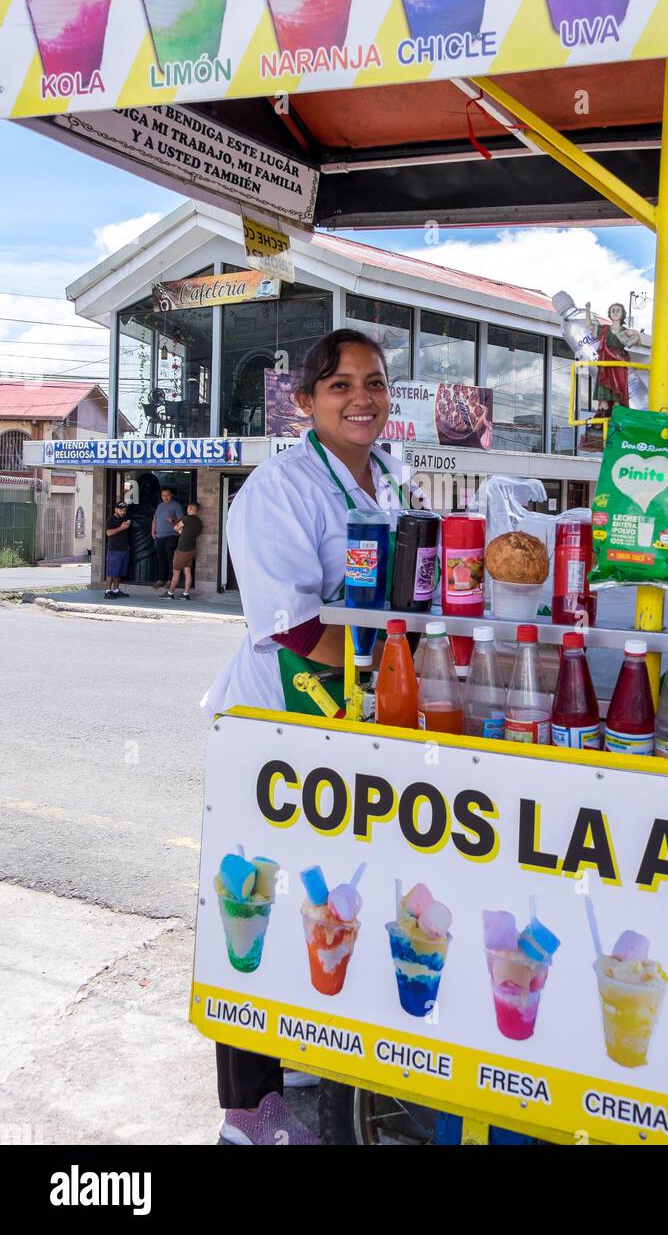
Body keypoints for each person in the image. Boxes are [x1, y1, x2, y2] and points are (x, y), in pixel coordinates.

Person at [204, 328, 399, 1145]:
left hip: (344, 718)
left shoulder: (390, 474)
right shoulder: (277, 489)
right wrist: (397, 654)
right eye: (340, 384)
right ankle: (250, 1110)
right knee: (250, 898)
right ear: (307, 401)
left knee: (326, 893)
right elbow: (294, 626)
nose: (361, 398)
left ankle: (308, 1044)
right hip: (274, 721)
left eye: (374, 382)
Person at [165, 502, 203, 601]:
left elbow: (176, 527)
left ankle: (170, 593)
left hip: (182, 549)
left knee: (176, 571)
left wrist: (176, 526)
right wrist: (180, 530)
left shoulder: (187, 518)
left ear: (190, 508)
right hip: (192, 549)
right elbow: (187, 533)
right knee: (187, 571)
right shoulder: (199, 522)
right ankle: (186, 594)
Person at [151, 486, 184, 589]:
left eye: (167, 495)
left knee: (171, 559)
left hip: (171, 536)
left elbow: (182, 521)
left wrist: (173, 520)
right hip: (159, 537)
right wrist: (152, 532)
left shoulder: (176, 506)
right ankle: (161, 579)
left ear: (171, 495)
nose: (165, 497)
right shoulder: (160, 505)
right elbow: (155, 519)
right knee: (160, 559)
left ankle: (170, 580)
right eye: (163, 495)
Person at [104, 501, 131, 599]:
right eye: (121, 510)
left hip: (124, 550)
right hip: (114, 550)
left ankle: (116, 590)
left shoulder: (124, 519)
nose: (123, 512)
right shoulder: (111, 520)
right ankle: (108, 591)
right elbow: (108, 533)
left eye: (124, 510)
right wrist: (121, 528)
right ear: (116, 509)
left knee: (118, 572)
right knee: (111, 571)